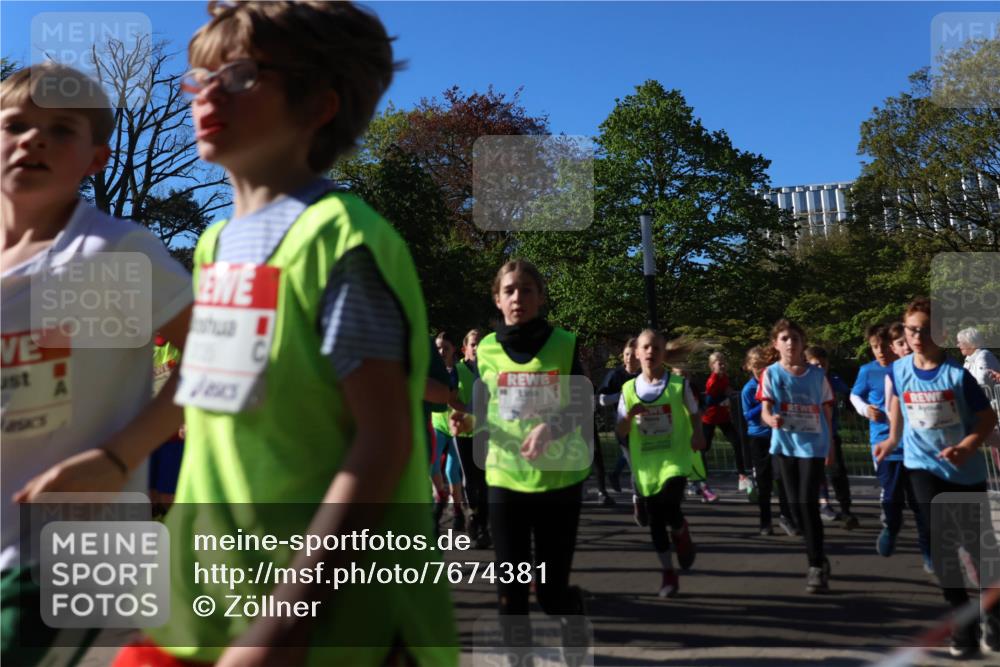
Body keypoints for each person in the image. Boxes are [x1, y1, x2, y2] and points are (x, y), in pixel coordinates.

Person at [115, 3, 457, 666]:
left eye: (239, 75)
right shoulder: (215, 243)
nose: (207, 91)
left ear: (319, 104)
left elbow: (382, 441)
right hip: (205, 606)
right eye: (200, 76)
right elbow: (215, 394)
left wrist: (282, 624)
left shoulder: (341, 240)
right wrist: (107, 459)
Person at [1, 63, 193, 665]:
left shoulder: (114, 249)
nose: (33, 139)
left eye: (62, 130)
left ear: (96, 160)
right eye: (16, 124)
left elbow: (225, 355)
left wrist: (118, 458)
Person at [475, 259, 591, 663]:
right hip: (505, 479)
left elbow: (581, 405)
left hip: (559, 483)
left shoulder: (565, 343)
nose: (517, 298)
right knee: (511, 592)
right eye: (509, 290)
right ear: (497, 298)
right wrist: (465, 420)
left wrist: (550, 429)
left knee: (551, 594)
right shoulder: (486, 350)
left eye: (526, 289)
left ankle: (572, 610)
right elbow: (486, 410)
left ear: (540, 297)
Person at [875, 298, 999, 657]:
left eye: (924, 330)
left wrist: (966, 446)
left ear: (940, 333)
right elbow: (898, 400)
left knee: (978, 550)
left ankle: (994, 618)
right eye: (910, 329)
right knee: (944, 549)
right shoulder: (899, 370)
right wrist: (893, 438)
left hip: (965, 470)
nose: (916, 336)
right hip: (922, 467)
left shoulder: (956, 375)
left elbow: (987, 419)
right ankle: (962, 629)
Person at [617, 330, 706, 597]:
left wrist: (699, 434)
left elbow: (694, 414)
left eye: (656, 348)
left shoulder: (677, 385)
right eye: (645, 347)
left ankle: (680, 530)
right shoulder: (628, 389)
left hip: (675, 458)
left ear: (663, 353)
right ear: (637, 352)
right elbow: (620, 431)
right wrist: (630, 417)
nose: (650, 352)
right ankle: (668, 572)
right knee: (656, 520)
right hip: (646, 464)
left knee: (670, 503)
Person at [758, 319, 834, 594]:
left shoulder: (816, 375)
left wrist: (831, 447)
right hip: (784, 446)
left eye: (795, 338)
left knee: (808, 504)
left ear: (803, 343)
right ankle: (819, 556)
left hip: (812, 446)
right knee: (794, 506)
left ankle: (815, 565)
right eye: (785, 338)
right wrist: (771, 419)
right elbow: (765, 410)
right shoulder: (771, 374)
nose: (790, 343)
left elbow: (827, 410)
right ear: (775, 344)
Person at [850, 324, 932, 571]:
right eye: (875, 347)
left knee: (921, 504)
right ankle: (892, 526)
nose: (880, 351)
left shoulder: (914, 368)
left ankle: (930, 553)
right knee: (892, 496)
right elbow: (855, 396)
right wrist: (866, 409)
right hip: (886, 443)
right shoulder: (869, 370)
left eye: (885, 345)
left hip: (917, 445)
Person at [741, 345, 797, 536]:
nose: (760, 369)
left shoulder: (774, 382)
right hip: (759, 437)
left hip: (777, 435)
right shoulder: (748, 390)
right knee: (764, 483)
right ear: (749, 366)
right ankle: (765, 521)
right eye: (756, 365)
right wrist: (764, 402)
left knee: (782, 478)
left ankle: (786, 517)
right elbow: (748, 415)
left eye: (763, 365)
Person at [803, 346, 859, 530]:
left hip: (831, 433)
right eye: (815, 364)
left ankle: (846, 508)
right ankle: (823, 503)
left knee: (838, 472)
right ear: (808, 364)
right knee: (816, 473)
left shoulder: (833, 380)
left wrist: (850, 410)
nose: (820, 367)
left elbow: (851, 393)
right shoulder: (804, 381)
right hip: (811, 434)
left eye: (823, 364)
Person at [448, 328, 491, 548]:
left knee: (485, 480)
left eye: (480, 343)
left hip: (486, 431)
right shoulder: (457, 370)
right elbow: (450, 397)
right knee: (469, 479)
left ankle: (483, 526)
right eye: (473, 344)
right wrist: (467, 412)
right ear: (465, 348)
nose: (477, 347)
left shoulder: (490, 371)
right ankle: (471, 514)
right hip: (464, 431)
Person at [699, 352, 755, 503]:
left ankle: (742, 475)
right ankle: (700, 482)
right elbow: (709, 400)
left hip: (723, 418)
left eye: (724, 362)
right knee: (704, 448)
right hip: (710, 419)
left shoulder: (724, 377)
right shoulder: (712, 380)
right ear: (712, 366)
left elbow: (726, 390)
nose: (722, 365)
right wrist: (725, 396)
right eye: (719, 363)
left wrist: (729, 393)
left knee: (736, 442)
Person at [596, 338, 640, 513]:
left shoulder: (645, 374)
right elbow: (601, 400)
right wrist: (621, 395)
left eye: (633, 355)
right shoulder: (615, 375)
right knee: (636, 464)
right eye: (626, 354)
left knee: (644, 464)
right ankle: (638, 498)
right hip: (624, 426)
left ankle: (647, 496)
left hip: (645, 426)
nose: (629, 358)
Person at [430, 331, 466, 533]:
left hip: (456, 426)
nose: (442, 351)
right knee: (432, 466)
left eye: (446, 348)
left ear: (453, 350)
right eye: (438, 348)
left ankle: (458, 511)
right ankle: (440, 496)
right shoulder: (432, 370)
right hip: (437, 424)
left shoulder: (459, 370)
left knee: (452, 470)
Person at [149, 333, 186, 516]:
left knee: (169, 496)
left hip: (174, 434)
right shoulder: (141, 348)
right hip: (146, 433)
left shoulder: (178, 344)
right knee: (149, 495)